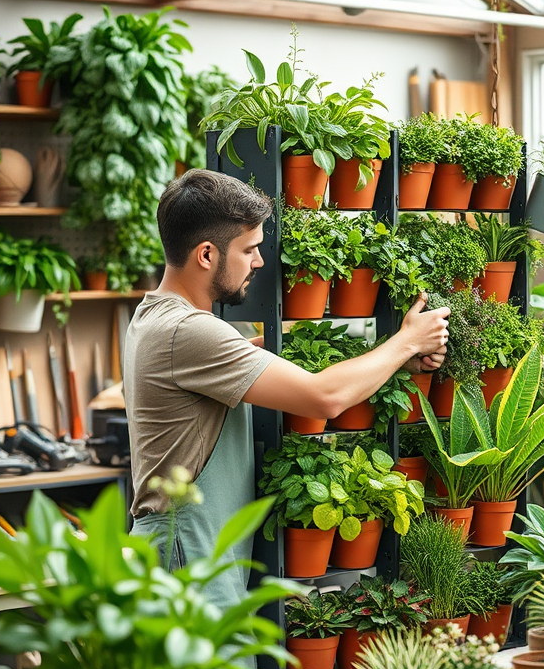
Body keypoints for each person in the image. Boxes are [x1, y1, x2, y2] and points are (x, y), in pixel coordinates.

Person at [124, 169, 449, 612]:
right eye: (249, 249)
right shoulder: (188, 331)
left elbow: (268, 364)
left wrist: (392, 359)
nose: (258, 262)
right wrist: (407, 340)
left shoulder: (157, 318)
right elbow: (323, 397)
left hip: (191, 551)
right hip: (185, 556)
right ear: (205, 254)